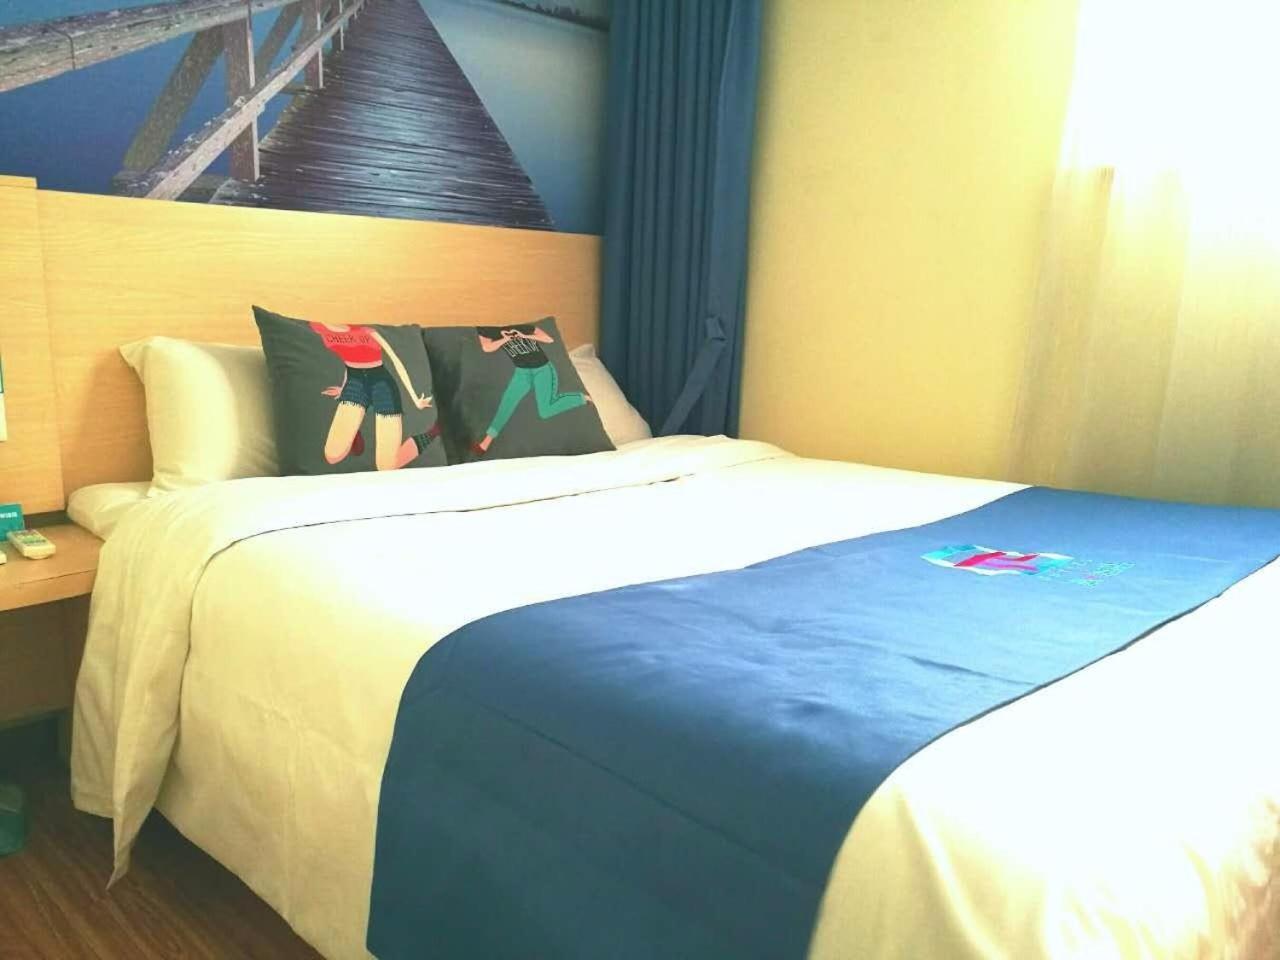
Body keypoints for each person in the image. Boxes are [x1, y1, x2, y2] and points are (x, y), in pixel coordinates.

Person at [311, 322, 438, 470]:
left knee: (386, 466)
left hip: (382, 384)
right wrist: (344, 387)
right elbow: (348, 359)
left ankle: (433, 432)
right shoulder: (319, 329)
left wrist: (416, 399)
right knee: (332, 456)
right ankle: (353, 430)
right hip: (355, 382)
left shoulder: (367, 331)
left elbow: (396, 361)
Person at [472, 322, 592, 455]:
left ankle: (580, 398)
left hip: (543, 369)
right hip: (522, 372)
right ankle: (486, 442)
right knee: (507, 403)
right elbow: (487, 347)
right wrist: (506, 339)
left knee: (545, 411)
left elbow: (549, 339)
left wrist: (524, 336)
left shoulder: (524, 326)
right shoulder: (487, 330)